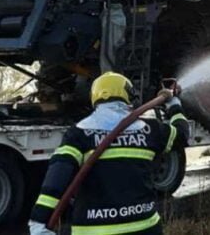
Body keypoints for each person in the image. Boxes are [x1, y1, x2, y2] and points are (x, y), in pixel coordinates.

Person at [28, 72, 189, 235]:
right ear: (128, 96)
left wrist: (38, 221)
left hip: (95, 230)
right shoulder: (150, 129)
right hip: (145, 227)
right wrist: (174, 105)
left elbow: (57, 178)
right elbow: (182, 134)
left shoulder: (79, 133)